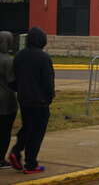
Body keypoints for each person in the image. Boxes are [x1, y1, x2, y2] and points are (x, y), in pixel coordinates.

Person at [8, 27, 54, 175]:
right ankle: (30, 164)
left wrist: (20, 90)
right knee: (36, 133)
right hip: (40, 102)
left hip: (24, 99)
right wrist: (49, 97)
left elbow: (13, 79)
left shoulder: (19, 56)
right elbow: (48, 82)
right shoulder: (44, 58)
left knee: (27, 127)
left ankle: (16, 151)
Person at [0, 31, 16, 170]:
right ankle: (0, 159)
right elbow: (12, 81)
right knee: (5, 131)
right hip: (6, 101)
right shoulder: (8, 60)